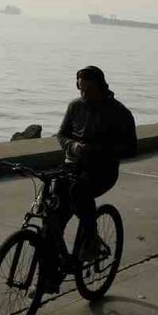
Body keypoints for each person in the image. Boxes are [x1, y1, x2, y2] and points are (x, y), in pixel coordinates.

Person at [50, 66, 137, 286]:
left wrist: (101, 150)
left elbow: (132, 148)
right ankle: (52, 272)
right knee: (52, 210)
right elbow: (61, 134)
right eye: (81, 87)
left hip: (102, 171)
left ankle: (90, 240)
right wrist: (73, 146)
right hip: (74, 165)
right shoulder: (75, 106)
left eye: (89, 88)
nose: (84, 93)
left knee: (79, 191)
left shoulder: (119, 112)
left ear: (101, 86)